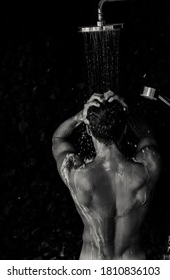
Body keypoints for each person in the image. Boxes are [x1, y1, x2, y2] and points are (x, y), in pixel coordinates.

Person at [52, 90, 161, 260]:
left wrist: (80, 116)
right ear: (125, 129)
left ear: (89, 129)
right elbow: (147, 135)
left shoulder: (77, 175)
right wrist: (126, 114)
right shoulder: (148, 168)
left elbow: (58, 139)